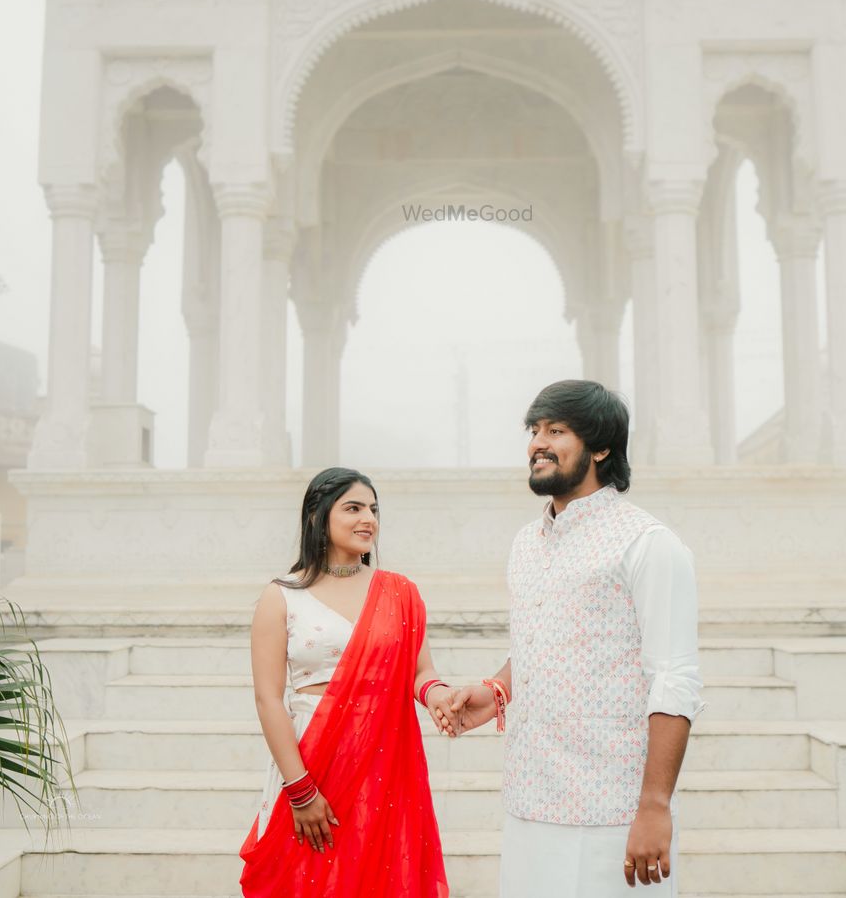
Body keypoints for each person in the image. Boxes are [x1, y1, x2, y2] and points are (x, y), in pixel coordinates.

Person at [442, 380, 704, 895]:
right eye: (534, 430)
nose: (538, 442)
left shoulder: (648, 544)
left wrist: (654, 807)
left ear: (601, 447)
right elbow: (549, 644)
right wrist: (494, 690)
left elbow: (674, 677)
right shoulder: (526, 543)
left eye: (557, 430)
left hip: (611, 810)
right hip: (530, 798)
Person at [239, 466, 456, 897]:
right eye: (353, 508)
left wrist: (438, 696)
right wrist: (299, 790)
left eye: (373, 509)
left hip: (383, 760)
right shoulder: (282, 595)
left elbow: (420, 671)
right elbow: (268, 699)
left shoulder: (399, 591)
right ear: (319, 517)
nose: (368, 519)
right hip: (312, 759)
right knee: (308, 875)